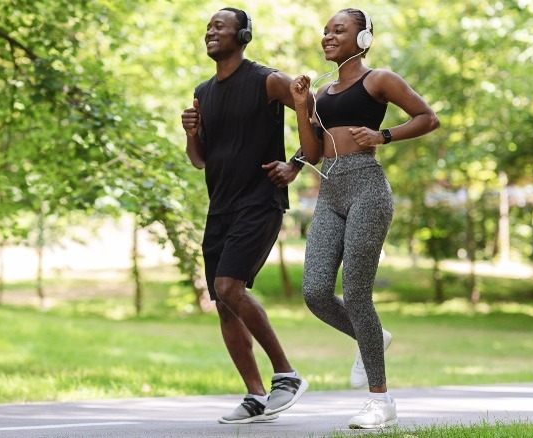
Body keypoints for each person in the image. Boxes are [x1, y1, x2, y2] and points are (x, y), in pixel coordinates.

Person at [289, 8, 440, 429]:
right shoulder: (321, 93)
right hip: (330, 192)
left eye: (339, 30)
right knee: (316, 291)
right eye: (325, 31)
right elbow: (314, 152)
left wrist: (384, 135)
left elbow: (428, 117)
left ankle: (381, 402)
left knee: (357, 295)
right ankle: (371, 336)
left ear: (362, 39)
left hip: (368, 189)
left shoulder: (380, 79)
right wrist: (302, 106)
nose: (328, 36)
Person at [180, 7, 310, 425]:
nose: (210, 32)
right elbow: (199, 161)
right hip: (220, 207)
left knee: (228, 286)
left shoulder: (267, 80)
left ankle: (286, 375)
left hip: (260, 201)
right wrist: (190, 133)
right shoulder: (203, 90)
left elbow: (315, 114)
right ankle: (255, 397)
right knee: (223, 303)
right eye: (208, 27)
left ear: (244, 35)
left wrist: (296, 163)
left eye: (220, 26)